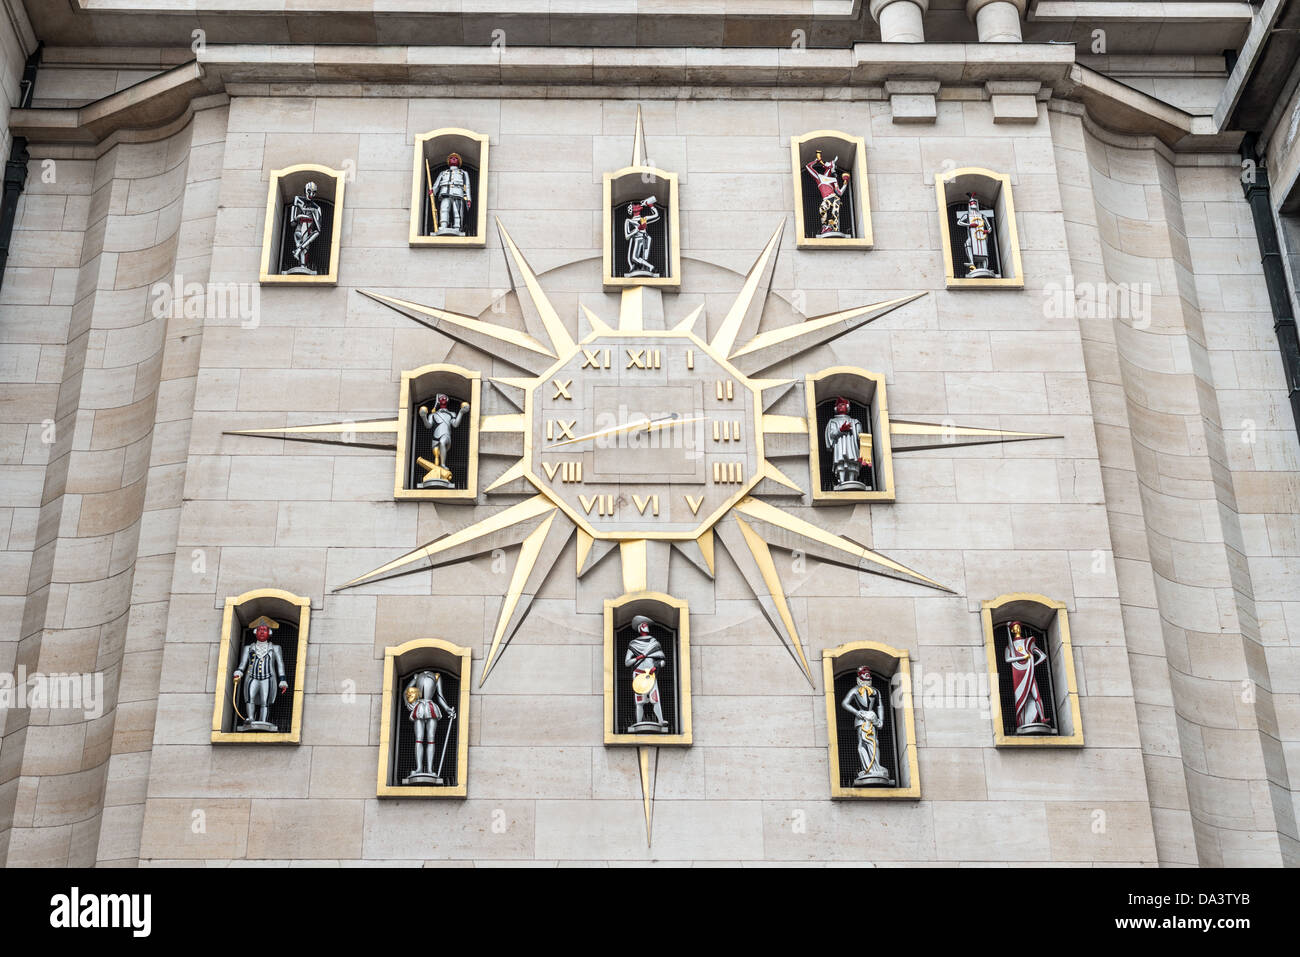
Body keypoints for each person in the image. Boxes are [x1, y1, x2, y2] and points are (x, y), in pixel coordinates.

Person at [233, 616, 288, 731]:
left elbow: (280, 665)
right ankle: (251, 718)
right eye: (259, 630)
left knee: (265, 700)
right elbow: (243, 663)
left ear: (269, 633)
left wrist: (282, 679)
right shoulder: (249, 648)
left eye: (264, 630)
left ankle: (263, 721)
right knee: (250, 698)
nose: (262, 632)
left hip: (267, 678)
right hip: (252, 677)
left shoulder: (275, 648)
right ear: (255, 632)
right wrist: (239, 672)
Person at [840, 666, 892, 785]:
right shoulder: (855, 690)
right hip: (861, 720)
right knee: (863, 743)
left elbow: (880, 706)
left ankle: (876, 767)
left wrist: (881, 720)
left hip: (872, 719)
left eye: (868, 679)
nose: (866, 681)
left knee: (874, 743)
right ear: (859, 679)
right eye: (864, 679)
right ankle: (867, 768)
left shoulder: (875, 691)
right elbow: (845, 703)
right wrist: (857, 712)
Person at [403, 670, 457, 784]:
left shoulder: (437, 677)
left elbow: (440, 696)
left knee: (431, 738)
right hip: (419, 706)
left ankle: (430, 769)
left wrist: (447, 709)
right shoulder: (417, 676)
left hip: (430, 706)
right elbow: (406, 691)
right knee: (419, 738)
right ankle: (418, 768)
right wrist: (407, 703)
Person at [624, 615, 668, 731]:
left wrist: (656, 666)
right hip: (638, 674)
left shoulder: (654, 642)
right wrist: (639, 657)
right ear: (640, 628)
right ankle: (638, 722)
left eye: (646, 625)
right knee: (639, 701)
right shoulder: (633, 644)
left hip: (651, 674)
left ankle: (660, 720)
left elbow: (662, 660)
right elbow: (627, 662)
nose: (646, 626)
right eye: (644, 625)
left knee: (655, 698)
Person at [804, 150, 851, 237]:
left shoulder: (833, 179)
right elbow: (808, 166)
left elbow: (839, 192)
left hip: (834, 198)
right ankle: (825, 227)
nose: (833, 170)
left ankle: (834, 228)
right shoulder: (819, 177)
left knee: (835, 213)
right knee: (822, 210)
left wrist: (845, 183)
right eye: (832, 167)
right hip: (826, 199)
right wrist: (817, 160)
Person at [430, 152, 473, 236]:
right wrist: (433, 191)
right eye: (451, 158)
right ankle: (443, 226)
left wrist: (468, 199)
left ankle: (457, 228)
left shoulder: (463, 173)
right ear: (448, 161)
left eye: (456, 158)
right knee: (444, 209)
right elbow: (437, 184)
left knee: (457, 212)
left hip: (458, 194)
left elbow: (467, 186)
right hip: (445, 193)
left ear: (459, 161)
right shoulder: (443, 173)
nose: (453, 159)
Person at [623, 196, 660, 277]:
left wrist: (651, 206)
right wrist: (637, 230)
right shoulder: (629, 221)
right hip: (638, 239)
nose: (637, 205)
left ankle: (648, 268)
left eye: (637, 205)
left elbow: (656, 215)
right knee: (634, 258)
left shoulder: (643, 219)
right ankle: (651, 267)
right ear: (632, 209)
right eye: (634, 205)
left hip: (646, 238)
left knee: (642, 257)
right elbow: (627, 236)